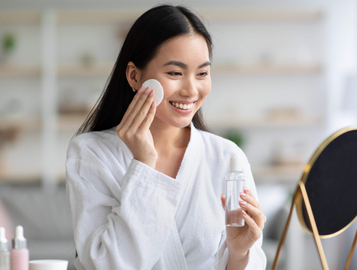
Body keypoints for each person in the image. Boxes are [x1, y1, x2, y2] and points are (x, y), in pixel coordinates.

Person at [66, 4, 267, 270]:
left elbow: (248, 261)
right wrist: (144, 165)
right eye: (175, 73)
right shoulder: (90, 153)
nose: (191, 89)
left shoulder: (227, 157)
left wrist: (239, 254)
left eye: (202, 73)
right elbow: (104, 265)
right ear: (135, 76)